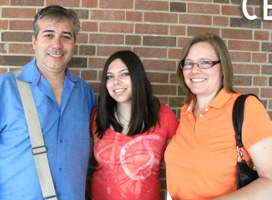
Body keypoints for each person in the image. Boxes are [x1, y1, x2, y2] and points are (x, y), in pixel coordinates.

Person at [0, 5, 96, 200]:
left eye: (66, 37)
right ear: (34, 41)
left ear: (74, 43)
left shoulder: (84, 93)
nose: (57, 45)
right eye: (48, 35)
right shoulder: (5, 89)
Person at [165, 33, 272, 200]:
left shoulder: (246, 107)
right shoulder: (186, 111)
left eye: (205, 62)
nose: (195, 70)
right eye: (188, 63)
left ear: (223, 68)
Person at [87, 50, 179, 200]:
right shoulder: (97, 117)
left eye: (124, 74)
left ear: (137, 77)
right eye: (110, 77)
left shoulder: (163, 116)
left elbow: (180, 168)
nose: (116, 81)